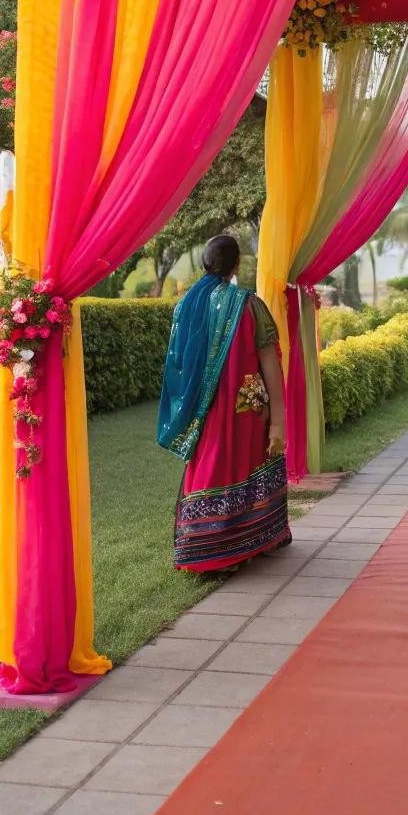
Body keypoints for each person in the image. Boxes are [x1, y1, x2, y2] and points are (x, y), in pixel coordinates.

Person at [157, 234, 290, 572]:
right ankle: (248, 541)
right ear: (236, 264)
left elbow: (179, 364)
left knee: (211, 466)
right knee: (248, 466)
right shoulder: (248, 304)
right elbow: (269, 362)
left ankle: (206, 546)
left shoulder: (188, 306)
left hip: (205, 410)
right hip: (245, 406)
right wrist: (278, 418)